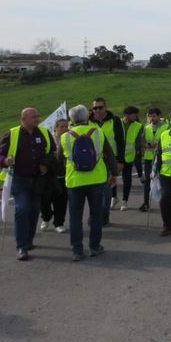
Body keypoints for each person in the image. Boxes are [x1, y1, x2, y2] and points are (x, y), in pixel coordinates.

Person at [0, 108, 56, 261]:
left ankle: (29, 240)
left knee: (34, 209)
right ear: (24, 119)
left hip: (38, 180)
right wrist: (5, 161)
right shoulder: (12, 134)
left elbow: (53, 152)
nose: (37, 119)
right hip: (19, 180)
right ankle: (21, 246)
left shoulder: (44, 132)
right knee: (22, 209)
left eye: (37, 116)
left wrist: (47, 165)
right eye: (33, 117)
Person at [59, 105, 118, 261]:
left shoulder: (65, 136)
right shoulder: (98, 133)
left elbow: (59, 159)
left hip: (74, 181)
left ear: (71, 119)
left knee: (75, 217)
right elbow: (110, 155)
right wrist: (114, 173)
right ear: (87, 117)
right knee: (96, 214)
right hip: (97, 179)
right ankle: (94, 246)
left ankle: (77, 250)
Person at [89, 97, 125, 221]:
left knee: (107, 189)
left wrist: (120, 161)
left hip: (111, 159)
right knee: (95, 190)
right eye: (95, 108)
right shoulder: (88, 122)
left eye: (100, 107)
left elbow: (120, 141)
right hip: (94, 161)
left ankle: (104, 216)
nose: (97, 110)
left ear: (106, 108)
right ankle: (96, 215)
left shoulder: (114, 121)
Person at [39, 118, 68, 233]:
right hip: (48, 176)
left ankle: (59, 223)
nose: (65, 129)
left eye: (66, 126)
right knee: (44, 201)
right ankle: (46, 217)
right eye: (61, 126)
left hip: (63, 176)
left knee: (61, 201)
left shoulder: (69, 138)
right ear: (55, 128)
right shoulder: (49, 139)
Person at [141, 108, 168, 212]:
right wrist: (147, 145)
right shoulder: (147, 128)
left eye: (154, 116)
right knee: (148, 181)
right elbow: (142, 141)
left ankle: (164, 202)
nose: (152, 118)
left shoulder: (165, 127)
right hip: (148, 158)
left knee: (163, 182)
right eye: (150, 116)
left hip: (161, 158)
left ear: (159, 116)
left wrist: (157, 145)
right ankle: (145, 202)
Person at [120, 105, 144, 211]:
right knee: (113, 177)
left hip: (129, 156)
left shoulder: (138, 126)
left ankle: (125, 200)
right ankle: (113, 197)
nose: (135, 118)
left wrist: (139, 150)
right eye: (133, 116)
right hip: (117, 155)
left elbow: (138, 140)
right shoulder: (117, 123)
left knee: (127, 179)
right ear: (126, 115)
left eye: (135, 116)